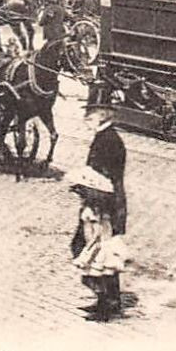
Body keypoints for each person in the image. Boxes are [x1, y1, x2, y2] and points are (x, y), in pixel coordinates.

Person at [69, 166, 127, 321]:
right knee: (95, 277)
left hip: (98, 247)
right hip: (98, 245)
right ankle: (102, 304)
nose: (79, 195)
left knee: (94, 277)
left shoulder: (95, 210)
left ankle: (105, 308)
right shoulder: (95, 208)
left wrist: (90, 248)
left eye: (81, 192)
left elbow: (98, 231)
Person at [84, 102, 128, 236]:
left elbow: (107, 170)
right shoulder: (105, 135)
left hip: (105, 194)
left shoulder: (109, 139)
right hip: (102, 193)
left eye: (90, 118)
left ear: (102, 118)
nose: (85, 121)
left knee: (102, 235)